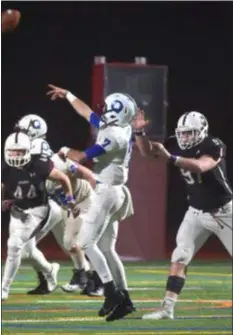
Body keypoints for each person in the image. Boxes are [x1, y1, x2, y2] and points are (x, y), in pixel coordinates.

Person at [47, 85, 136, 321]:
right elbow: (87, 113)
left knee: (86, 243)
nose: (103, 110)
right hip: (116, 192)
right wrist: (69, 95)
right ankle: (125, 299)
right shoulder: (123, 127)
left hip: (106, 192)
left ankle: (110, 293)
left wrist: (65, 150)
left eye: (108, 108)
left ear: (117, 113)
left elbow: (83, 156)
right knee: (107, 249)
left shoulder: (113, 135)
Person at [133, 109, 233, 320]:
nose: (185, 137)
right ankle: (167, 309)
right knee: (179, 257)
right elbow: (148, 152)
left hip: (223, 213)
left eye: (190, 133)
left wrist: (170, 157)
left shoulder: (213, 144)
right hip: (195, 212)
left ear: (202, 131)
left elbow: (200, 166)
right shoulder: (175, 144)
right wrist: (139, 133)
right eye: (183, 133)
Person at [15, 114, 102, 296]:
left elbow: (88, 176)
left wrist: (90, 202)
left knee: (75, 243)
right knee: (30, 246)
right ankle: (51, 276)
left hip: (79, 201)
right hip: (58, 206)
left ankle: (91, 278)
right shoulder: (26, 167)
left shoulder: (59, 162)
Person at [1, 132, 76, 300]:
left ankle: (3, 289)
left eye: (19, 151)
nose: (15, 155)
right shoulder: (4, 167)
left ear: (28, 151)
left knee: (14, 245)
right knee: (26, 250)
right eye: (12, 152)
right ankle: (50, 271)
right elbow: (2, 185)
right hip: (18, 211)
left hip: (40, 211)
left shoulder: (39, 165)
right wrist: (3, 201)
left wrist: (70, 198)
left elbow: (63, 178)